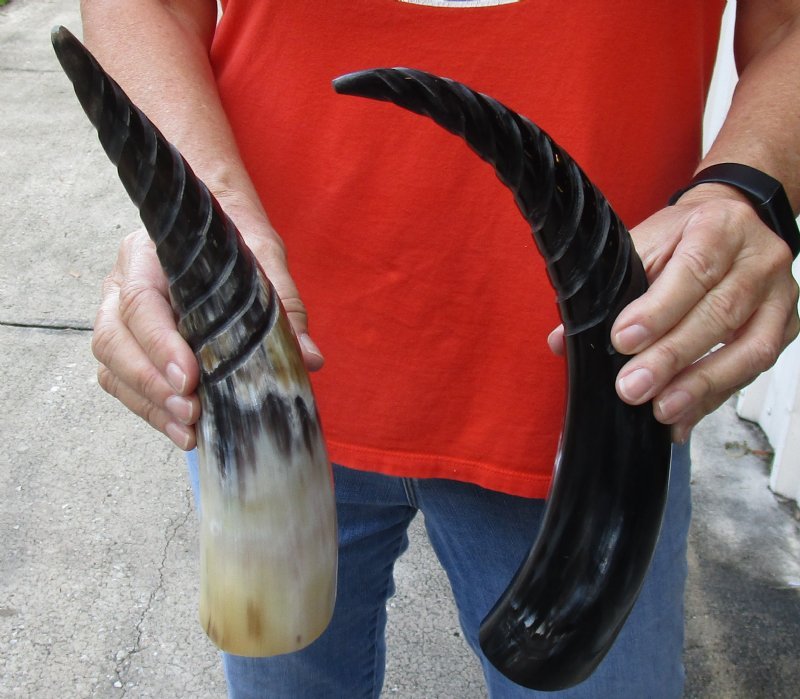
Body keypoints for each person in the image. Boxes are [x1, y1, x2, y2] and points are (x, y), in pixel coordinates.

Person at [82, 1, 800, 697]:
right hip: (261, 368)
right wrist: (196, 213)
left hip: (602, 409)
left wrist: (747, 186)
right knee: (275, 655)